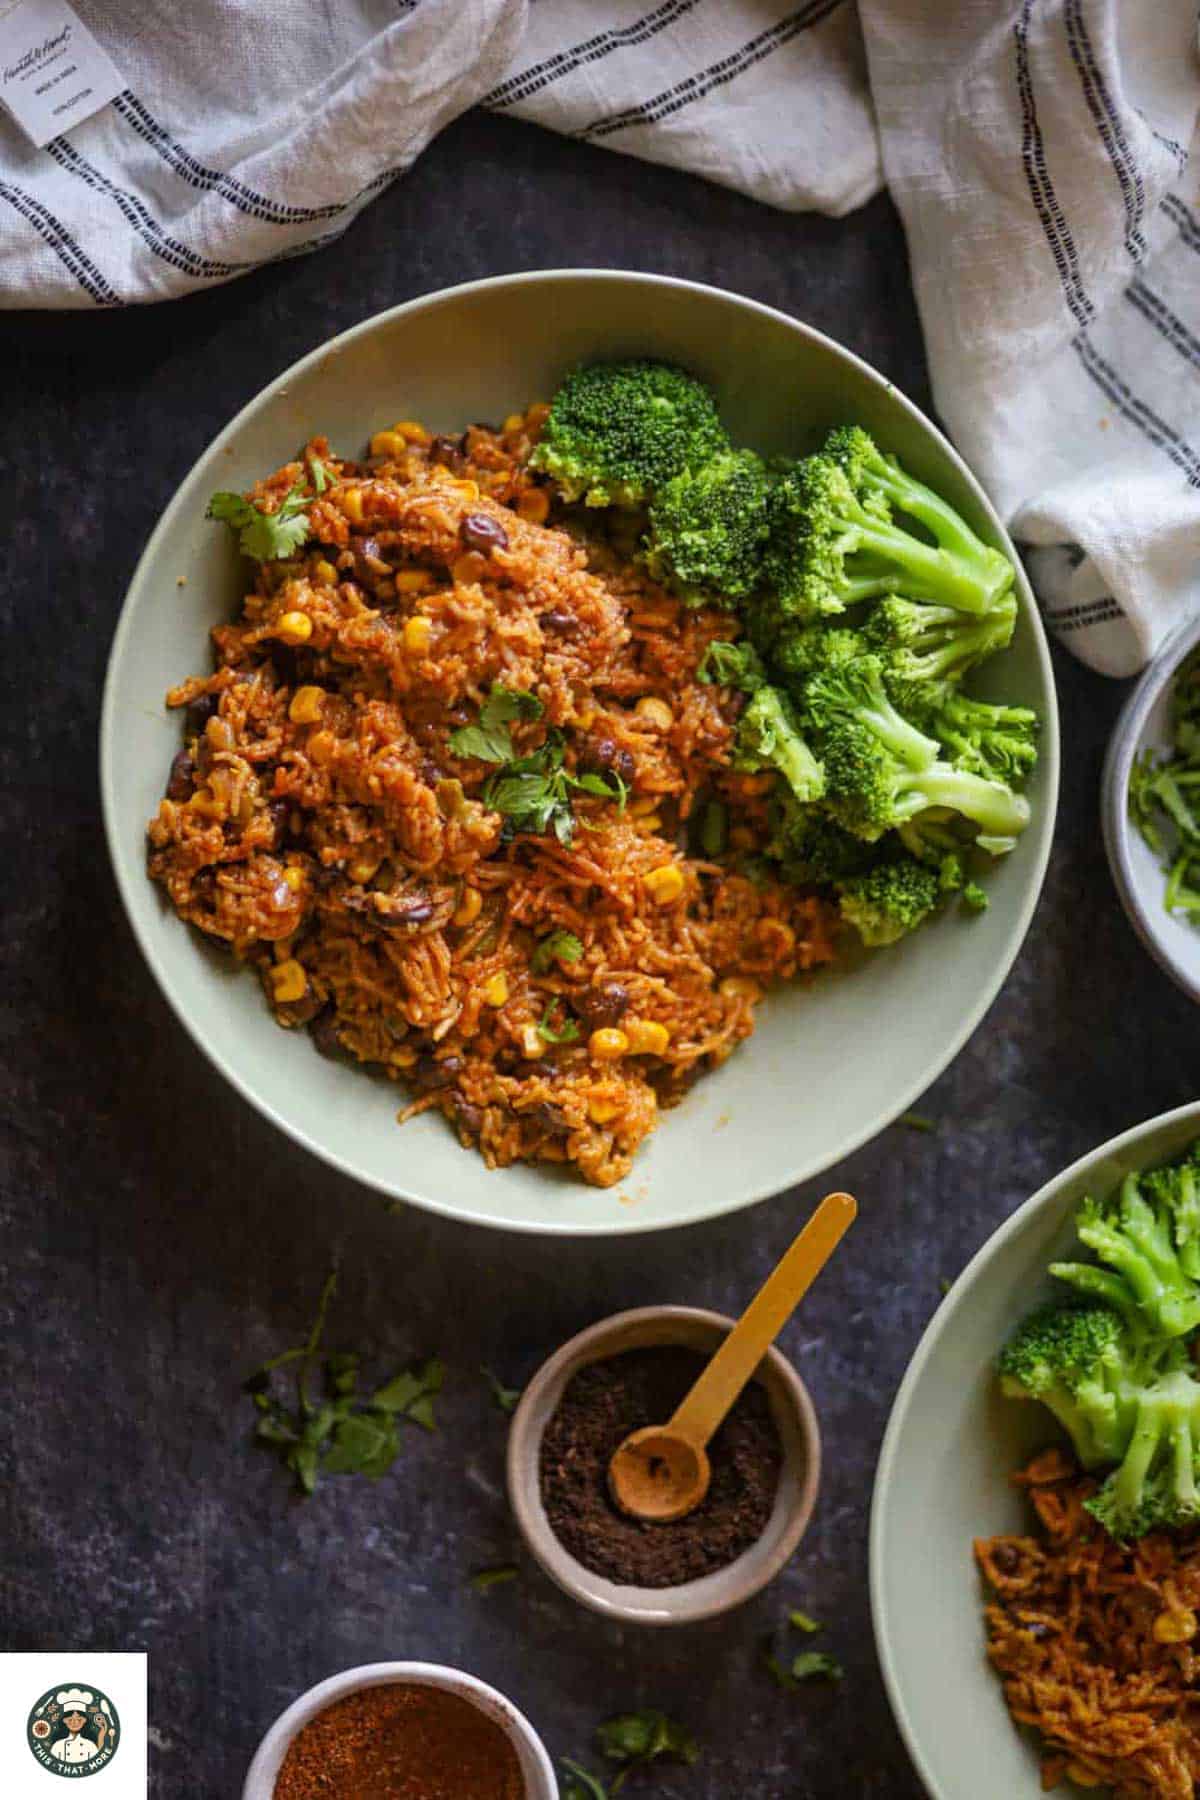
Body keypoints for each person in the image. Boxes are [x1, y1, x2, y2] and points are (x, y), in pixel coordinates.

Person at [50, 1689, 102, 1764]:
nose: (75, 1723)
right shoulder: (58, 1746)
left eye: (79, 1720)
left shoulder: (90, 1745)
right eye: (70, 1720)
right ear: (64, 1721)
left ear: (85, 1721)